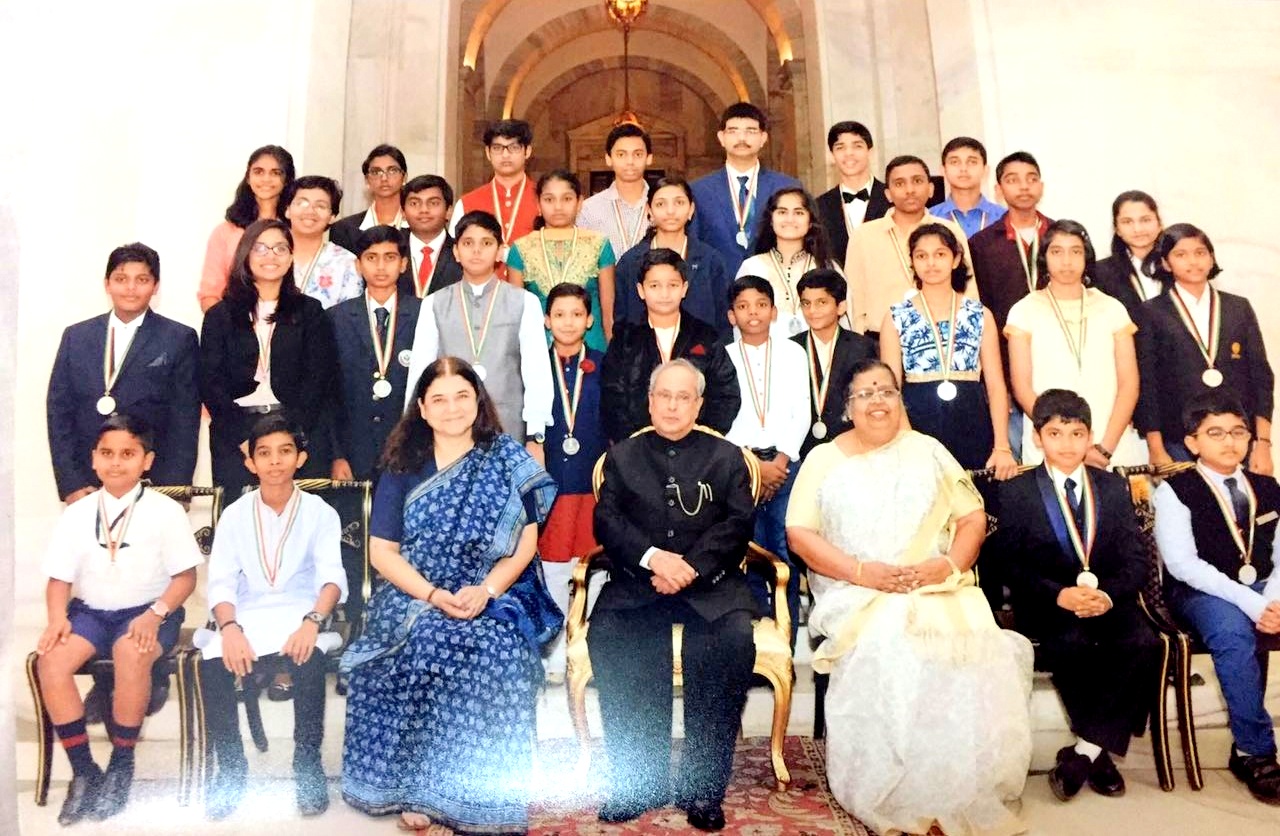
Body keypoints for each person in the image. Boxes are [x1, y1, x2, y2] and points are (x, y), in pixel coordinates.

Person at [786, 358, 1033, 836]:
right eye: (866, 393)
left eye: (887, 391)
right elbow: (799, 535)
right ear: (847, 407)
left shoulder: (930, 451)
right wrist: (864, 573)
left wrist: (945, 565)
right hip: (855, 589)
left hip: (935, 582)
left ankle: (960, 787)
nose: (878, 401)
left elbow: (971, 519)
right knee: (893, 644)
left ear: (900, 400)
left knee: (982, 645)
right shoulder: (824, 459)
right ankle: (894, 789)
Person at [342, 357, 559, 835]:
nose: (451, 408)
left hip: (493, 588)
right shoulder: (402, 466)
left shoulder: (505, 458)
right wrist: (435, 594)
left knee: (497, 653)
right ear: (421, 408)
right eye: (438, 399)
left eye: (462, 396)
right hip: (415, 591)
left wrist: (485, 590)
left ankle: (488, 791)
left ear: (478, 401)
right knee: (427, 642)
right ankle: (420, 789)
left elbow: (526, 541)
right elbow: (382, 552)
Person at [590, 359, 757, 831]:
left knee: (728, 641)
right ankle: (637, 783)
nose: (672, 405)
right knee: (614, 634)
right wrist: (652, 559)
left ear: (699, 404)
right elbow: (607, 522)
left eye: (684, 397)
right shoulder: (623, 456)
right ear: (649, 400)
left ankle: (703, 790)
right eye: (664, 395)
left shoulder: (726, 458)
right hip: (639, 585)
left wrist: (690, 567)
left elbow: (738, 524)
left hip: (713, 588)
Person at [996, 389, 1161, 802]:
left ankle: (1084, 753)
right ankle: (1099, 754)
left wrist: (1106, 596)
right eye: (1055, 433)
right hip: (1049, 603)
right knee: (1072, 645)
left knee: (1142, 643)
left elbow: (1136, 560)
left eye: (1076, 434)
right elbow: (1009, 564)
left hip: (1108, 599)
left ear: (1089, 438)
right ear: (1037, 438)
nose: (1066, 444)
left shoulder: (1112, 487)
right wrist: (1059, 595)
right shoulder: (1017, 492)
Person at [36, 415, 201, 824]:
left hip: (146, 611)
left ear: (147, 461)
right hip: (90, 612)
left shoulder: (165, 511)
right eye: (106, 454)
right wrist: (57, 617)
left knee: (131, 652)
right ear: (93, 459)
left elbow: (185, 577)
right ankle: (84, 771)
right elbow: (59, 580)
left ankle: (121, 765)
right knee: (51, 662)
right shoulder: (77, 513)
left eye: (128, 454)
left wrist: (156, 613)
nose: (115, 463)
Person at [196, 414, 347, 819]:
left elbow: (332, 579)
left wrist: (313, 622)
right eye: (264, 453)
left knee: (309, 656)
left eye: (285, 452)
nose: (275, 462)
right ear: (250, 462)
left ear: (301, 458)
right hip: (247, 616)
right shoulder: (234, 514)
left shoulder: (320, 512)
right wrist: (228, 629)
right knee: (212, 662)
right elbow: (222, 583)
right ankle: (230, 768)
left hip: (303, 613)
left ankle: (307, 762)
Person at [1153, 391, 1280, 804]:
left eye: (1238, 432)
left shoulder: (1268, 486)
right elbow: (1183, 565)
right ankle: (1255, 752)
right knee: (1234, 635)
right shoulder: (1175, 491)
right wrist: (1253, 605)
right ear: (1192, 442)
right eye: (1215, 433)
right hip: (1200, 590)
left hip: (1265, 588)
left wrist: (1273, 601)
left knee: (1253, 620)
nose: (1230, 442)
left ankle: (1248, 743)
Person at [48, 243, 200, 503]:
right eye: (121, 279)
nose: (131, 288)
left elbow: (184, 420)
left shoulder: (178, 338)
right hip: (88, 480)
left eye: (141, 280)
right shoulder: (76, 337)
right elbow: (59, 411)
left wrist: (175, 490)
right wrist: (71, 482)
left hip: (152, 480)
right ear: (107, 284)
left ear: (155, 286)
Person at [199, 218, 337, 497]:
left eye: (280, 249)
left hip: (296, 433)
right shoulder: (221, 315)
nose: (270, 256)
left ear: (290, 259)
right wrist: (242, 438)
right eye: (260, 249)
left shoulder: (310, 311)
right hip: (236, 435)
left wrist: (291, 436)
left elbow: (319, 379)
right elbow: (209, 383)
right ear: (245, 256)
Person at [404, 210, 553, 454]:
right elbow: (420, 372)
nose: (476, 251)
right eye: (467, 243)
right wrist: (414, 430)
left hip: (508, 429)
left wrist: (536, 437)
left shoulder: (525, 302)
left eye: (486, 243)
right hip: (447, 430)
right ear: (455, 252)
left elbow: (536, 375)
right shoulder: (434, 303)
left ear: (499, 251)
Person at [1006, 220, 1145, 467]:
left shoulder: (1112, 309)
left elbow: (1129, 385)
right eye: (1057, 252)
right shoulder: (1024, 310)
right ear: (1044, 258)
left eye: (1076, 251)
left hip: (1111, 444)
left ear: (1087, 257)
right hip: (1049, 446)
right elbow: (1022, 387)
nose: (1067, 261)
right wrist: (1063, 441)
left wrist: (1104, 449)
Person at [880, 223, 1017, 474]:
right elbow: (891, 388)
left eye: (940, 254)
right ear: (912, 262)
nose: (931, 263)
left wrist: (1002, 446)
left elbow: (996, 386)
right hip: (917, 420)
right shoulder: (895, 317)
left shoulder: (980, 314)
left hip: (972, 418)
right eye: (922, 256)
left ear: (955, 259)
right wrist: (905, 436)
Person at [1137, 224, 1274, 474]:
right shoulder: (1151, 312)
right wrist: (1156, 448)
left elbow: (1262, 378)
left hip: (1237, 437)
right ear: (1166, 263)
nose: (1193, 261)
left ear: (1211, 258)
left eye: (1200, 253)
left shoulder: (1238, 307)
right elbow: (1147, 384)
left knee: (1241, 510)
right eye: (1181, 254)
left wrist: (1263, 443)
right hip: (1179, 440)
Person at [723, 277, 809, 646]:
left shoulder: (793, 353)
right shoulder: (722, 357)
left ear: (774, 312)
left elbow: (802, 411)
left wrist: (781, 459)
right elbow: (719, 416)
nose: (752, 312)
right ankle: (756, 644)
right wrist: (750, 463)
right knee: (749, 549)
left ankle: (785, 641)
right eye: (743, 306)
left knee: (784, 548)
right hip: (741, 468)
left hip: (787, 465)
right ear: (731, 315)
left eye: (760, 304)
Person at [601, 248, 740, 442]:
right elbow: (612, 399)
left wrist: (698, 438)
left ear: (684, 288)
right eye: (655, 286)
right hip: (639, 450)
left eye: (672, 285)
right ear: (641, 290)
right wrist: (637, 444)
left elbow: (726, 393)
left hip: (697, 448)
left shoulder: (705, 336)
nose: (664, 294)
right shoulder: (625, 340)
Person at [539, 283, 606, 682]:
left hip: (591, 480)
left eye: (576, 314)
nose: (568, 322)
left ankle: (584, 643)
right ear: (547, 321)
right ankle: (556, 646)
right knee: (553, 566)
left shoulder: (602, 363)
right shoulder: (534, 364)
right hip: (552, 482)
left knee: (591, 564)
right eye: (559, 314)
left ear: (589, 320)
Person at [844, 155, 973, 340]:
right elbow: (854, 298)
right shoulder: (864, 236)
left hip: (942, 339)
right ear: (887, 194)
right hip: (879, 340)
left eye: (917, 181)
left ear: (930, 189)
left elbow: (967, 288)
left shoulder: (950, 230)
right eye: (899, 183)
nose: (910, 190)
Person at [507, 169, 617, 347]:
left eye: (566, 199)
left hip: (592, 347)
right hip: (540, 348)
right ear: (538, 204)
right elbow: (515, 314)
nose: (558, 207)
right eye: (549, 200)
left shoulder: (599, 244)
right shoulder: (521, 248)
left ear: (580, 202)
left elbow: (608, 312)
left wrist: (613, 355)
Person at [690, 102, 801, 277]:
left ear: (763, 138)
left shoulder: (787, 187)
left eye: (750, 131)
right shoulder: (699, 190)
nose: (742, 138)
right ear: (721, 137)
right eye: (733, 131)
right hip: (718, 290)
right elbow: (693, 248)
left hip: (775, 288)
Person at [614, 176, 731, 335]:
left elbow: (723, 325)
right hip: (644, 356)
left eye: (679, 203)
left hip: (701, 356)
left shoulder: (710, 260)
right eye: (661, 204)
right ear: (649, 211)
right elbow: (622, 325)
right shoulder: (630, 262)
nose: (670, 211)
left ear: (691, 210)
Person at [790, 269, 876, 460]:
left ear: (841, 307)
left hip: (852, 451)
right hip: (801, 452)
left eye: (821, 303)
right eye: (806, 304)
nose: (812, 311)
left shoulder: (862, 348)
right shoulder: (790, 348)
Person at [198, 144, 295, 312]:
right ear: (248, 178)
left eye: (275, 173)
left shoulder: (295, 229)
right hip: (236, 326)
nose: (266, 179)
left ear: (287, 180)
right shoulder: (225, 232)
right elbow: (209, 294)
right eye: (258, 171)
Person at [736, 187, 841, 338]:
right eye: (782, 212)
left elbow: (845, 327)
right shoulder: (752, 268)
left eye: (799, 212)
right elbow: (740, 326)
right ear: (771, 220)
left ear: (810, 221)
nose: (790, 219)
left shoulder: (827, 268)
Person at [450, 119, 539, 276]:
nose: (505, 155)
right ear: (487, 153)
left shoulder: (544, 198)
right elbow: (456, 256)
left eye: (514, 147)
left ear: (528, 151)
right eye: (497, 148)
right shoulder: (467, 203)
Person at [815, 120, 891, 270]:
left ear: (870, 152)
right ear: (831, 156)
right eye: (840, 147)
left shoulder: (892, 198)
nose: (849, 153)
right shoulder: (819, 206)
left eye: (857, 146)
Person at [284, 175, 363, 309]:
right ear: (287, 210)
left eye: (320, 206)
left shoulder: (345, 262)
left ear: (332, 217)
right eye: (302, 203)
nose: (310, 211)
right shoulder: (270, 253)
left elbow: (348, 318)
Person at [576, 121, 653, 258]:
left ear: (649, 158)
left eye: (638, 154)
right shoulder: (589, 209)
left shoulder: (661, 204)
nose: (630, 161)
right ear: (608, 159)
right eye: (621, 155)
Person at [1092, 190, 1164, 321]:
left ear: (1159, 224)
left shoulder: (1177, 267)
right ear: (1117, 229)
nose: (1138, 229)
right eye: (1127, 222)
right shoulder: (1100, 272)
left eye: (1145, 220)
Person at [330, 144, 408, 252]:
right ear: (367, 180)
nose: (384, 178)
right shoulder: (344, 229)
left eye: (392, 170)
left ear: (404, 177)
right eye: (376, 172)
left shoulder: (417, 224)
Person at [398, 174, 462, 298]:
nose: (424, 210)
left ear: (448, 212)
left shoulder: (462, 253)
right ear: (403, 212)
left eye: (433, 203)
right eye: (415, 203)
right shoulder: (391, 250)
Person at [930, 136, 1006, 239]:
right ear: (943, 170)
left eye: (972, 162)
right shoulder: (930, 218)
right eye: (955, 162)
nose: (963, 168)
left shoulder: (1004, 217)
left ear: (985, 171)